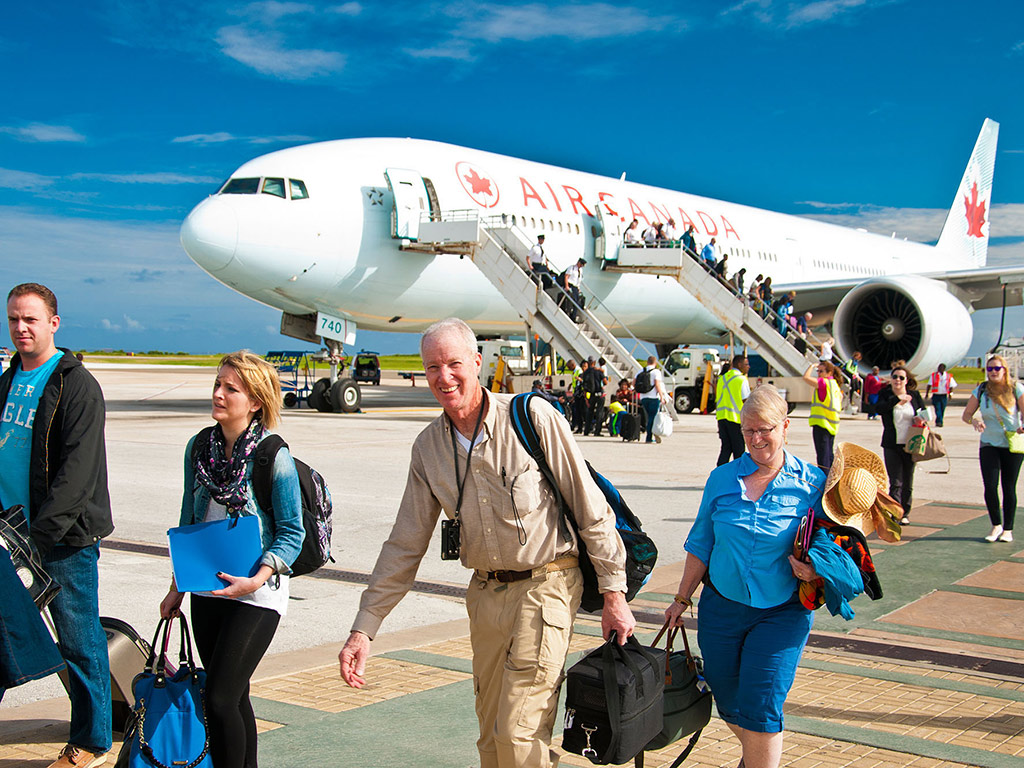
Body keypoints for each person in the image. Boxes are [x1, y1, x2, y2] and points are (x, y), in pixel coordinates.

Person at [338, 318, 634, 768]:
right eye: (432, 366)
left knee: (518, 733)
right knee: (491, 738)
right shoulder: (428, 448)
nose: (444, 377)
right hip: (485, 595)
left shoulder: (532, 419)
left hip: (547, 586)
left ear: (477, 362)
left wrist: (615, 593)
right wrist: (364, 628)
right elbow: (404, 544)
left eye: (454, 363)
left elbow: (589, 505)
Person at [664, 385, 848, 768]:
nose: (756, 438)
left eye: (765, 429)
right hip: (721, 609)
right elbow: (701, 542)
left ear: (786, 426)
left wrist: (816, 568)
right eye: (748, 430)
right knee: (727, 699)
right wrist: (681, 598)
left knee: (762, 705)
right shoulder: (721, 479)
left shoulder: (814, 484)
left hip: (782, 611)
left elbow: (835, 548)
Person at [159, 351, 304, 768]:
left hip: (257, 592)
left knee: (219, 697)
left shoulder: (272, 455)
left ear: (255, 401)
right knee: (234, 696)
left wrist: (257, 579)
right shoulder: (199, 448)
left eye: (231, 389)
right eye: (217, 385)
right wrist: (177, 587)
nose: (218, 394)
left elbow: (292, 532)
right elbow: (189, 521)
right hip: (208, 586)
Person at [0, 283, 114, 768]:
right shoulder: (9, 379)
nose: (20, 328)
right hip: (8, 533)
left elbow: (77, 474)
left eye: (30, 319)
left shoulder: (76, 385)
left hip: (61, 539)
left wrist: (37, 540)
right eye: (13, 319)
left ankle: (91, 741)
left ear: (53, 323)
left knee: (78, 641)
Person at [962, 354, 1024, 543]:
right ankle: (996, 524)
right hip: (989, 443)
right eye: (990, 369)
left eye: (997, 368)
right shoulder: (982, 390)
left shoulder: (1016, 388)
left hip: (1012, 444)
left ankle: (1008, 529)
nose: (993, 372)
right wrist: (974, 421)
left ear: (1004, 370)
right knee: (990, 485)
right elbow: (966, 414)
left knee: (1008, 486)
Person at [875, 365, 924, 526]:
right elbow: (879, 409)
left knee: (908, 481)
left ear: (907, 380)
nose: (897, 380)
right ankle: (895, 512)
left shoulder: (914, 395)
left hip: (910, 444)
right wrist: (897, 399)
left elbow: (923, 412)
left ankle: (905, 512)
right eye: (895, 377)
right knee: (895, 482)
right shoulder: (886, 394)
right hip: (891, 444)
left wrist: (921, 419)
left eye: (901, 377)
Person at [803, 360, 842, 470]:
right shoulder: (834, 384)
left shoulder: (823, 383)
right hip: (832, 425)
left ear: (829, 373)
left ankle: (825, 478)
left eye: (821, 371)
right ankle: (832, 476)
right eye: (817, 371)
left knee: (823, 457)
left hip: (822, 424)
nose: (818, 373)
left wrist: (811, 366)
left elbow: (805, 378)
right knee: (829, 455)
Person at [716, 354, 751, 465]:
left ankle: (720, 472)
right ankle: (738, 472)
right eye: (746, 364)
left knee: (726, 448)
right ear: (739, 365)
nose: (748, 366)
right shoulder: (741, 379)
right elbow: (746, 401)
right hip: (735, 419)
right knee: (739, 449)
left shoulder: (722, 378)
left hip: (721, 418)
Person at [638, 355, 669, 444]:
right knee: (653, 417)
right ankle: (649, 436)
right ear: (655, 363)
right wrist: (662, 396)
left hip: (643, 397)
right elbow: (657, 384)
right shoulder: (656, 372)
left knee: (649, 417)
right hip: (653, 398)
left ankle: (652, 432)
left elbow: (634, 382)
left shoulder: (641, 371)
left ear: (647, 362)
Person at [581, 355, 606, 436]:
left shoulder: (585, 373)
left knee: (589, 413)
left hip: (591, 395)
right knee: (599, 412)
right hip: (600, 394)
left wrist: (586, 399)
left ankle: (587, 430)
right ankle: (597, 431)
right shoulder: (598, 371)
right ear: (594, 362)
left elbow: (584, 387)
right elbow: (605, 382)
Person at [926, 363, 957, 428]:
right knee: (937, 409)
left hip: (943, 396)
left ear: (944, 369)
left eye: (941, 368)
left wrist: (950, 394)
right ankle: (939, 422)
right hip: (936, 395)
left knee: (942, 409)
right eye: (939, 368)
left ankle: (939, 421)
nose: (939, 369)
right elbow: (929, 385)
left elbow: (951, 386)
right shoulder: (934, 376)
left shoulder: (948, 376)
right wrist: (927, 394)